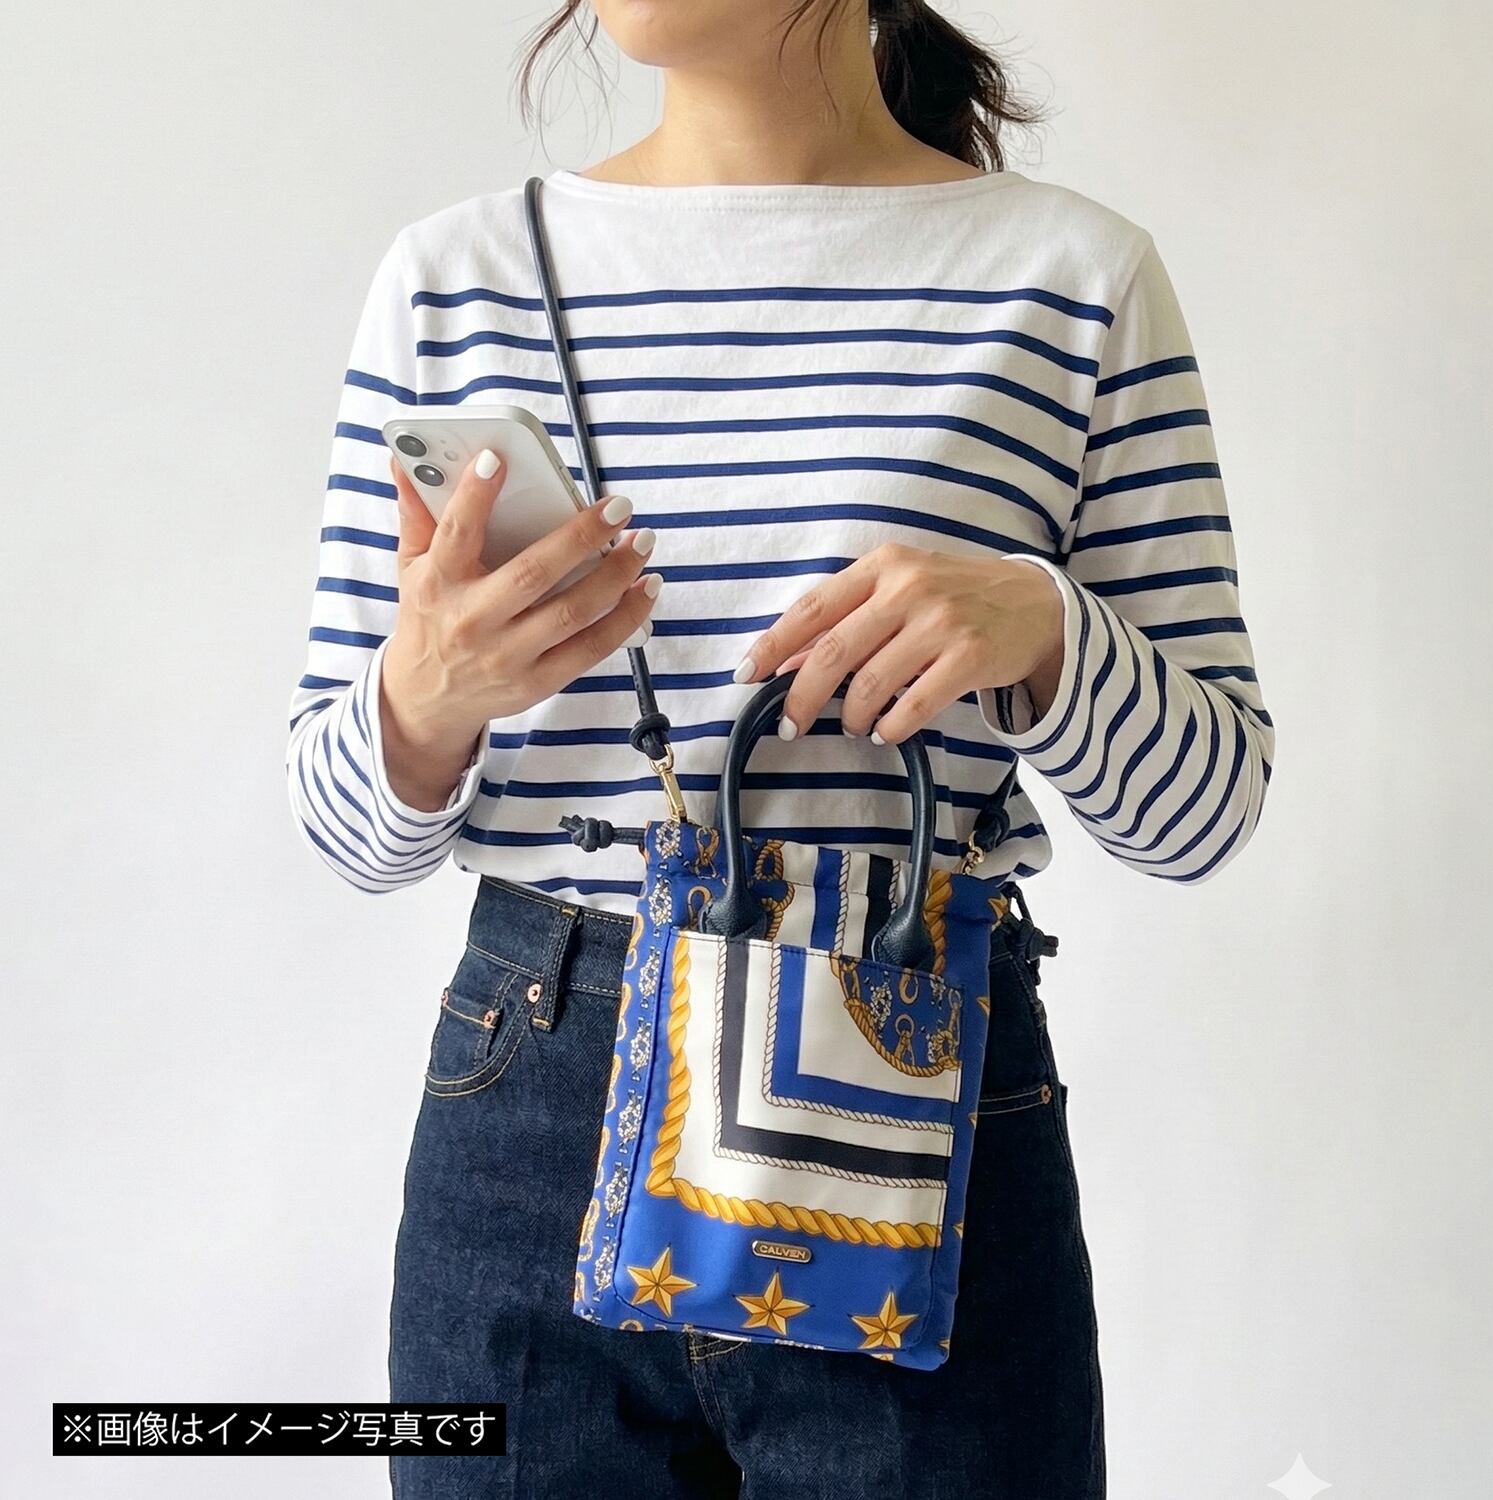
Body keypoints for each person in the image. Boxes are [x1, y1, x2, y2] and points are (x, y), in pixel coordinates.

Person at [284, 2, 1274, 1494]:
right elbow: (342, 830)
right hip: (534, 1107)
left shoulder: (1072, 278)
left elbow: (1205, 813)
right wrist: (428, 695)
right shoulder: (458, 279)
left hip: (918, 1089)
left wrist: (1044, 628)